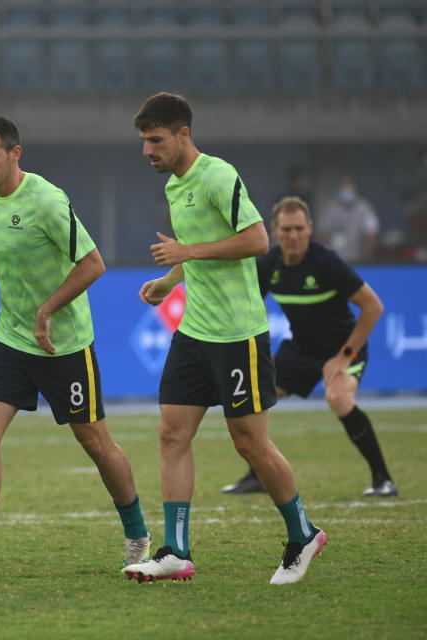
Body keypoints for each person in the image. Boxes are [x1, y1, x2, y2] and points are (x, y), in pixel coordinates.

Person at [0, 115, 151, 578]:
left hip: (63, 345)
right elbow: (4, 247)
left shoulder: (48, 201)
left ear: (15, 153)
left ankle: (137, 534)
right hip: (12, 339)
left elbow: (93, 264)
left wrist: (48, 310)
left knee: (95, 442)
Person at [124, 93, 325, 585]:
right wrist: (171, 279)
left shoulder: (218, 175)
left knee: (250, 444)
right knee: (172, 433)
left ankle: (304, 534)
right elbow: (197, 252)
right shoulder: (174, 184)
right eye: (143, 142)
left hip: (238, 335)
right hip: (194, 331)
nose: (148, 150)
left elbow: (258, 240)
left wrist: (185, 250)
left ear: (183, 134)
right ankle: (176, 552)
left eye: (156, 140)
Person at [222, 196, 395, 497]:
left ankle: (383, 479)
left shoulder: (326, 261)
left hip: (344, 348)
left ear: (310, 229)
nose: (293, 236)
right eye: (286, 229)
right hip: (300, 349)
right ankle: (258, 475)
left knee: (338, 398)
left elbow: (373, 307)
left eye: (299, 228)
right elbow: (246, 308)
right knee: (256, 398)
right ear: (274, 231)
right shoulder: (269, 264)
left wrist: (344, 357)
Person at [315, 176, 379, 262]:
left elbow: (371, 235)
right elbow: (321, 235)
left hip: (357, 259)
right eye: (343, 188)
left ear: (355, 190)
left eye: (348, 188)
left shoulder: (364, 208)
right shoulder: (331, 208)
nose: (346, 191)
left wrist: (364, 259)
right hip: (334, 260)